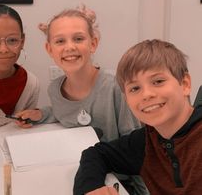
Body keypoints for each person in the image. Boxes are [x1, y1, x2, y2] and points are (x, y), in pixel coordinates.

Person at [73, 39, 202, 195]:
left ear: (185, 84)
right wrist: (91, 189)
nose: (146, 94)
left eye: (158, 81)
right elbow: (96, 154)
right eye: (135, 88)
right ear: (127, 99)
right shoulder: (146, 142)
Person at [16, 5, 141, 142]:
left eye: (78, 39)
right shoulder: (54, 90)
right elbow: (63, 112)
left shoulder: (117, 87)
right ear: (49, 49)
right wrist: (40, 114)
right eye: (60, 41)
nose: (69, 47)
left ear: (93, 44)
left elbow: (134, 140)